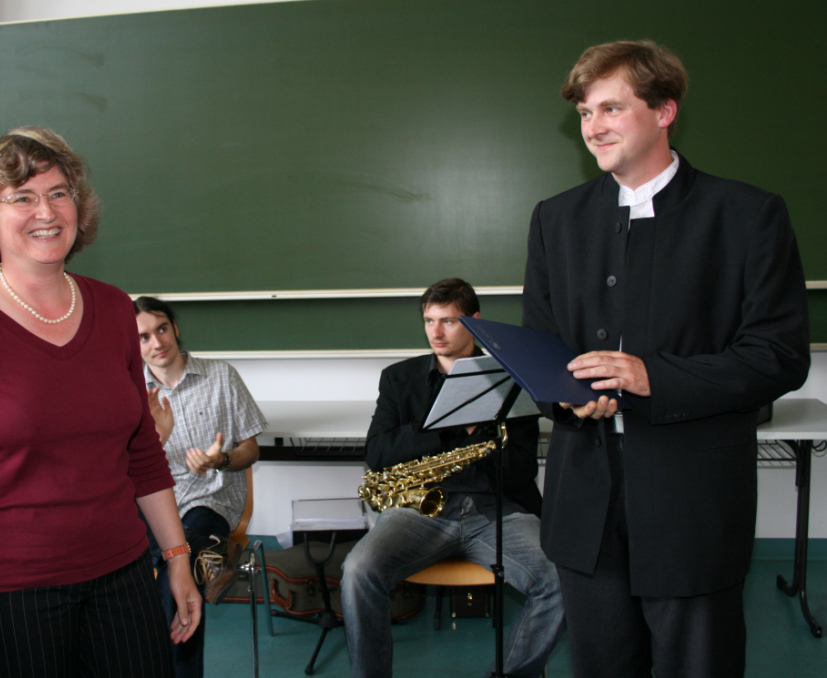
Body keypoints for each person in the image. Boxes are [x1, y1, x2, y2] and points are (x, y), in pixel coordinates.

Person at [522, 40, 810, 677]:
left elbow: (778, 356)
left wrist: (654, 376)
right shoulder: (555, 220)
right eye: (585, 113)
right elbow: (541, 347)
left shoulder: (748, 215)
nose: (593, 127)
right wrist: (565, 396)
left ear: (664, 111)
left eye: (612, 108)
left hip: (693, 506)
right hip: (584, 506)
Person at [0, 128, 202, 678]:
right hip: (4, 597)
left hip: (123, 578)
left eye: (59, 193)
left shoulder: (113, 309)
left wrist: (177, 558)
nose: (47, 211)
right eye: (21, 197)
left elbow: (142, 454)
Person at [341, 278, 564, 678]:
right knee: (358, 570)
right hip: (419, 512)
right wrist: (443, 428)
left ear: (475, 321)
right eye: (429, 320)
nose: (436, 332)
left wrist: (484, 442)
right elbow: (377, 453)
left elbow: (522, 469)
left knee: (561, 578)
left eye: (448, 321)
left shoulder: (512, 379)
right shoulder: (398, 378)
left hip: (496, 509)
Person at [135, 296, 267, 678]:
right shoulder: (129, 391)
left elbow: (251, 449)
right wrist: (156, 439)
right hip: (153, 503)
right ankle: (205, 554)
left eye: (162, 329)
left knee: (179, 570)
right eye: (143, 337)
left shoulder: (221, 375)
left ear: (175, 328)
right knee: (131, 558)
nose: (157, 343)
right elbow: (121, 466)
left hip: (210, 501)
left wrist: (219, 460)